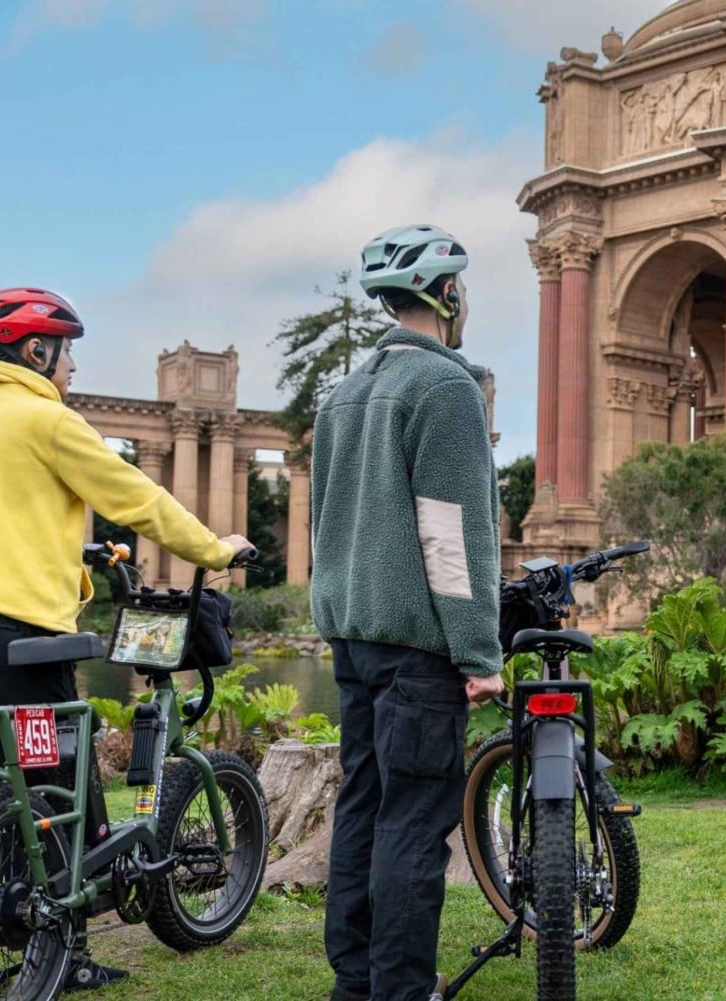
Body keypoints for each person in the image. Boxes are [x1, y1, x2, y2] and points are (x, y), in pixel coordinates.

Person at [0, 286, 252, 992]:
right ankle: (62, 955)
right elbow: (137, 496)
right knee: (56, 780)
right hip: (11, 629)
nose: (71, 367)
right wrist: (216, 548)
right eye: (67, 352)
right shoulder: (45, 419)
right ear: (38, 351)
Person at [312, 224, 505, 1001]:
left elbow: (327, 519)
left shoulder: (344, 395)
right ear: (449, 294)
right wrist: (479, 654)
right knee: (412, 821)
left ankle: (354, 983)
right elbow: (451, 532)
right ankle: (398, 988)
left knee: (361, 804)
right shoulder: (445, 387)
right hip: (415, 646)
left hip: (354, 637)